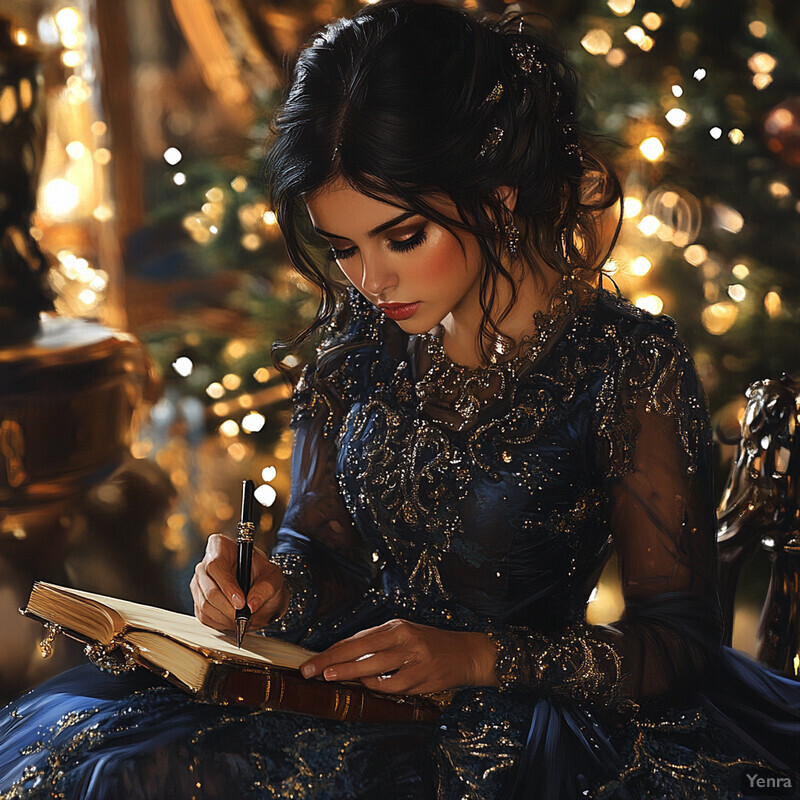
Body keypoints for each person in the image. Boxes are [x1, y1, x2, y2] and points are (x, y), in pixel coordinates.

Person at [1, 1, 800, 798]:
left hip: (526, 738)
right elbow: (323, 547)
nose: (370, 281)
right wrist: (270, 584)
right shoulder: (356, 343)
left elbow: (681, 640)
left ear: (498, 189)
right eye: (343, 247)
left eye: (402, 237)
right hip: (341, 689)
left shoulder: (628, 364)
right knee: (108, 766)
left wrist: (480, 655)